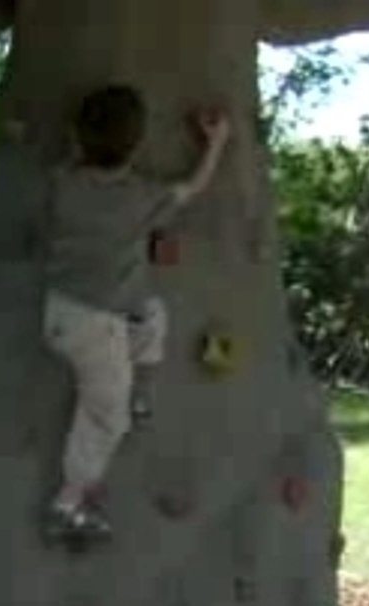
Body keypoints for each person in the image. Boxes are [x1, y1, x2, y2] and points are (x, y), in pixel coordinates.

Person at [42, 84, 231, 545]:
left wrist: (81, 142)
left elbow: (75, 157)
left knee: (151, 313)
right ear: (139, 142)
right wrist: (217, 142)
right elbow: (195, 185)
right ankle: (65, 507)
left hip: (65, 312)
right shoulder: (141, 197)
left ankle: (139, 388)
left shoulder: (63, 182)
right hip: (97, 327)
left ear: (79, 136)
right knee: (107, 417)